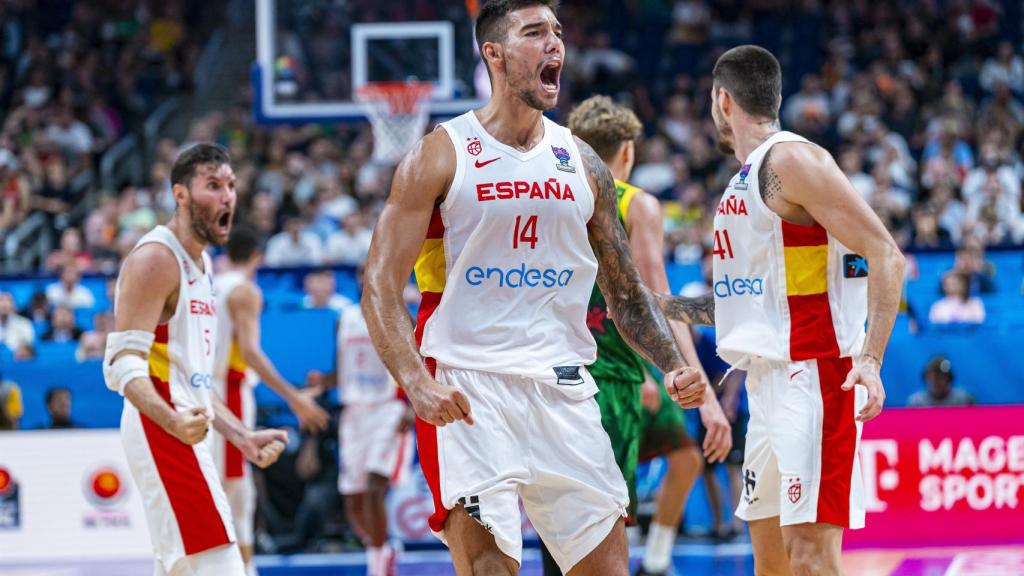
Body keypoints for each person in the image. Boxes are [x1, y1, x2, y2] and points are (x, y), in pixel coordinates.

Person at [361, 2, 708, 574]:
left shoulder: (583, 162)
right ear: (493, 54)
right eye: (534, 33)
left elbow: (624, 293)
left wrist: (670, 365)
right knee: (491, 568)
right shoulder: (441, 154)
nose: (555, 45)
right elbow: (378, 282)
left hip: (564, 387)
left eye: (557, 32)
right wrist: (415, 384)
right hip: (466, 386)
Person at [657, 46, 904, 576]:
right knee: (771, 565)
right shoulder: (743, 183)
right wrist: (662, 304)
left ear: (722, 101)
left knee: (811, 559)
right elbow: (745, 304)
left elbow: (886, 254)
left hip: (815, 378)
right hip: (764, 383)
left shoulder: (792, 159)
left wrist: (872, 360)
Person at [563, 95, 732, 576]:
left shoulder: (554, 197)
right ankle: (651, 561)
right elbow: (657, 303)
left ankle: (656, 562)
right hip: (617, 374)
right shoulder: (634, 202)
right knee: (602, 527)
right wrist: (702, 395)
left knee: (564, 517)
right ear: (628, 152)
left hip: (554, 374)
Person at [102, 143, 289, 576]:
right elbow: (120, 363)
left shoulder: (202, 265)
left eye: (231, 186)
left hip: (184, 425)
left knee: (184, 568)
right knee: (220, 565)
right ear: (181, 195)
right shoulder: (156, 259)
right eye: (212, 186)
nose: (227, 197)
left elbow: (198, 382)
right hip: (161, 428)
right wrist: (170, 422)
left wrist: (240, 436)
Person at [210, 225, 330, 576]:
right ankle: (241, 569)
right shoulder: (243, 290)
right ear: (257, 257)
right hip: (227, 392)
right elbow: (250, 353)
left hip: (202, 390)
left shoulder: (209, 284)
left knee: (225, 487)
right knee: (235, 490)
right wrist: (293, 396)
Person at [308, 268, 414, 576]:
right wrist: (323, 381)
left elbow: (416, 363)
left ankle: (377, 564)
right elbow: (341, 369)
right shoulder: (345, 317)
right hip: (353, 411)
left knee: (373, 486)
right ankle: (382, 550)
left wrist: (410, 405)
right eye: (362, 273)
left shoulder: (398, 314)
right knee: (352, 499)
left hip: (387, 407)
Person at [907, 356, 976, 407]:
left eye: (940, 378)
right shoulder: (916, 403)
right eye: (929, 378)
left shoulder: (964, 400)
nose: (934, 382)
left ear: (949, 379)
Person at [0, 291, 35, 359]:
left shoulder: (25, 324)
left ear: (14, 305)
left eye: (8, 301)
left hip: (18, 362)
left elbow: (29, 347)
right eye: (1, 300)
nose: (4, 304)